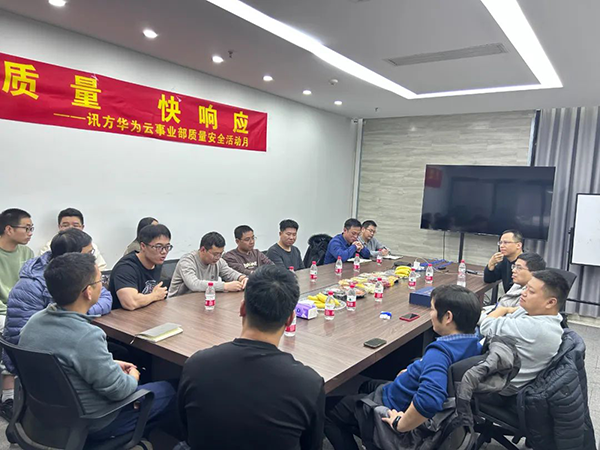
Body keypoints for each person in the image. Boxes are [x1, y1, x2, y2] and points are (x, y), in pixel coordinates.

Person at [19, 253, 176, 440]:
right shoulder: (86, 335)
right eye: (101, 280)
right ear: (88, 292)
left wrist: (110, 364)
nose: (103, 284)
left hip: (45, 418)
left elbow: (66, 362)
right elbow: (120, 390)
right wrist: (133, 377)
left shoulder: (34, 322)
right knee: (171, 389)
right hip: (93, 423)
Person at [178, 265, 324, 450]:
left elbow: (186, 431)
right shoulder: (309, 384)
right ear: (290, 319)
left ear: (242, 308)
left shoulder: (196, 365)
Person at [325, 285, 482, 450]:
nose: (430, 314)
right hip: (402, 392)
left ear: (448, 317)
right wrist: (419, 366)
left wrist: (400, 424)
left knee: (326, 409)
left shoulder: (439, 353)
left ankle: (368, 428)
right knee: (366, 385)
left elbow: (429, 401)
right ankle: (364, 429)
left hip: (393, 405)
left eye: (432, 309)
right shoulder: (474, 343)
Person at [1, 228, 113, 421]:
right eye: (88, 254)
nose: (92, 259)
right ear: (73, 258)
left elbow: (105, 297)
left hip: (60, 348)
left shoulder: (78, 279)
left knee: (119, 353)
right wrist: (81, 309)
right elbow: (24, 339)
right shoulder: (32, 286)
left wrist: (81, 308)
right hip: (41, 364)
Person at [480, 270, 567, 395]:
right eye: (525, 288)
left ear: (550, 302)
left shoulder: (536, 327)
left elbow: (485, 326)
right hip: (499, 363)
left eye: (531, 291)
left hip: (501, 387)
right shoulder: (541, 314)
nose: (523, 293)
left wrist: (503, 309)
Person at [109, 224, 172, 310]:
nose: (164, 251)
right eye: (158, 247)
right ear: (143, 246)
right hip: (121, 316)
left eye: (167, 247)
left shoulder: (156, 263)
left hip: (146, 313)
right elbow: (130, 303)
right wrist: (155, 295)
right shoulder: (126, 268)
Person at [168, 232, 247, 297]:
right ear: (203, 249)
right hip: (177, 303)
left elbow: (229, 273)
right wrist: (225, 286)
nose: (218, 257)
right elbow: (194, 284)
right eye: (215, 254)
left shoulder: (218, 261)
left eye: (220, 254)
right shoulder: (187, 261)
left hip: (202, 300)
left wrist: (242, 278)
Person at [480, 252, 546, 322]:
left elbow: (505, 321)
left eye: (519, 268)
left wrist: (479, 317)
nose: (513, 270)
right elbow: (500, 306)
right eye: (514, 266)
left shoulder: (530, 297)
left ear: (534, 273)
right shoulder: (518, 285)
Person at [39, 208, 107, 271]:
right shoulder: (49, 247)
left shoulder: (90, 246)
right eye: (65, 225)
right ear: (59, 227)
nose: (70, 228)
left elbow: (101, 269)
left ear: (82, 227)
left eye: (75, 225)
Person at [0, 209, 34, 325]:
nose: (30, 233)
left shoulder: (27, 252)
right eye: (26, 228)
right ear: (9, 229)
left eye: (31, 229)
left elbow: (31, 286)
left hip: (23, 309)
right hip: (3, 312)